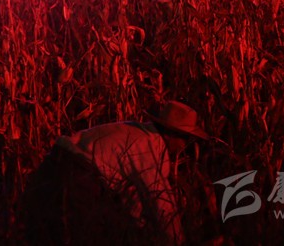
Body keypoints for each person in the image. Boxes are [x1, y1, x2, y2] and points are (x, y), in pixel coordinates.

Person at [21, 101, 209, 246]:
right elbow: (161, 204)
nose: (185, 146)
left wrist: (140, 229)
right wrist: (177, 241)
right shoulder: (150, 149)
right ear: (171, 134)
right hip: (76, 180)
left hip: (52, 166)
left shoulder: (135, 132)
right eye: (185, 139)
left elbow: (134, 198)